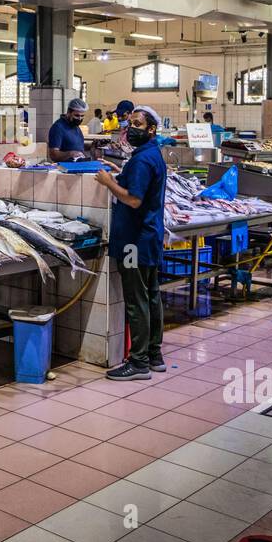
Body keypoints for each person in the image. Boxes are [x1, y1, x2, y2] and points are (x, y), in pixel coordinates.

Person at [95, 107, 167, 381]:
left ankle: (138, 363)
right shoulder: (150, 155)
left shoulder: (141, 160)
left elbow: (134, 200)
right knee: (151, 295)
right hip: (148, 238)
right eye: (129, 122)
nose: (130, 127)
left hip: (134, 241)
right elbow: (139, 188)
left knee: (137, 301)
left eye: (137, 123)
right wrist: (119, 172)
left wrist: (108, 182)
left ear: (151, 129)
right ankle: (154, 355)